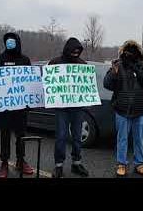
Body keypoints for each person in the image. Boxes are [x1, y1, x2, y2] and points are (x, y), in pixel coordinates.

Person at [103, 40, 143, 177]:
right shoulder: (118, 66)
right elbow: (107, 84)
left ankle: (140, 164)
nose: (130, 55)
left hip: (140, 110)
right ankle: (121, 164)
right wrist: (114, 72)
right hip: (122, 109)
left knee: (139, 139)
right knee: (122, 139)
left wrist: (136, 68)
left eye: (133, 52)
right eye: (127, 52)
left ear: (138, 53)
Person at [0, 32, 35, 178]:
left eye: (12, 41)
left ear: (17, 42)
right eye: (7, 41)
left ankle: (21, 161)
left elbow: (30, 82)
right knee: (5, 135)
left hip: (21, 107)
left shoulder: (25, 59)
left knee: (21, 135)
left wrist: (31, 100)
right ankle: (4, 163)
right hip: (4, 108)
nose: (10, 43)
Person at [48, 37, 90, 178]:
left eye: (78, 51)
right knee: (61, 136)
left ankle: (76, 163)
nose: (76, 53)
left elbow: (87, 86)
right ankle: (58, 165)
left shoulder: (83, 64)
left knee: (77, 137)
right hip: (61, 108)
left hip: (77, 108)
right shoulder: (55, 63)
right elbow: (49, 82)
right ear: (67, 49)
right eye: (73, 51)